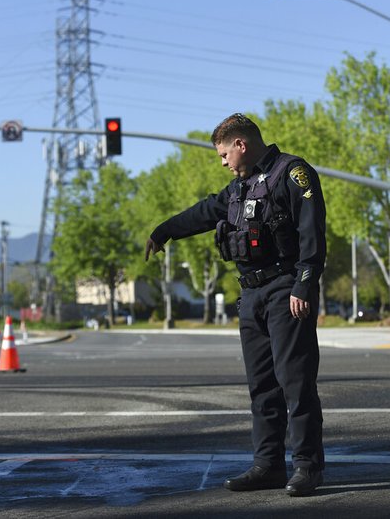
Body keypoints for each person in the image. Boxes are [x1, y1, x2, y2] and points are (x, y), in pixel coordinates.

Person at [144, 113, 327, 496]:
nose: (223, 162)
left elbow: (312, 235)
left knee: (295, 383)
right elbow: (203, 212)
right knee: (261, 387)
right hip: (251, 296)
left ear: (241, 144)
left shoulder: (291, 174)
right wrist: (163, 231)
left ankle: (307, 467)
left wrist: (304, 286)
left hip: (285, 290)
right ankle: (268, 466)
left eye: (224, 154)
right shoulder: (239, 188)